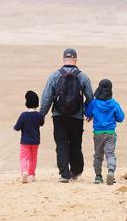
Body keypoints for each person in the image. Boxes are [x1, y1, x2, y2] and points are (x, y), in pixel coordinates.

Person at [40, 48, 94, 183]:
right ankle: (76, 171)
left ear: (63, 59)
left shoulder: (55, 76)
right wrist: (90, 113)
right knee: (75, 144)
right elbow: (90, 98)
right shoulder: (82, 76)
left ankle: (64, 174)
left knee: (62, 144)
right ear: (76, 59)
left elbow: (47, 97)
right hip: (76, 117)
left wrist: (42, 114)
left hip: (59, 116)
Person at [85, 79, 125, 185]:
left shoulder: (94, 103)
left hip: (98, 133)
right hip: (110, 132)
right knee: (110, 154)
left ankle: (98, 176)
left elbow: (88, 114)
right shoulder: (114, 103)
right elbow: (120, 118)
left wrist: (85, 104)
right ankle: (111, 171)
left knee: (98, 155)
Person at [14, 90, 45, 183]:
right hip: (35, 141)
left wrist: (15, 126)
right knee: (33, 158)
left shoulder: (24, 115)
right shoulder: (39, 115)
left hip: (25, 141)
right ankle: (31, 175)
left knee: (23, 157)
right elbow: (41, 124)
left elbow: (17, 127)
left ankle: (24, 171)